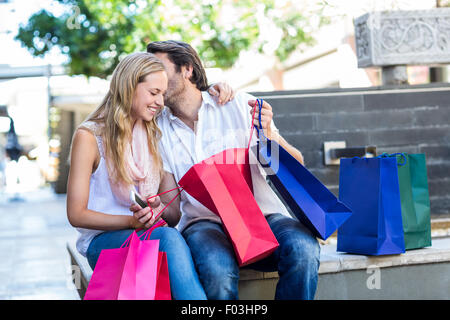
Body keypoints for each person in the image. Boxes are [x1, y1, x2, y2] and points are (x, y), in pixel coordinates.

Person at [142, 40, 321, 300]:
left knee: (304, 249)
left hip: (263, 218)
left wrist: (268, 134)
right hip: (203, 224)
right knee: (216, 269)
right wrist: (153, 209)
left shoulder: (238, 105)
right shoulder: (158, 131)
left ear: (187, 69)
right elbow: (172, 209)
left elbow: (296, 166)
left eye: (159, 68)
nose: (153, 79)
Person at [66, 52, 232, 300]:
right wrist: (131, 223)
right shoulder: (90, 137)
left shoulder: (155, 134)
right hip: (102, 241)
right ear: (128, 86)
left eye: (163, 94)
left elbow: (173, 215)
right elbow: (76, 215)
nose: (160, 102)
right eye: (153, 93)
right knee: (168, 239)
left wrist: (158, 209)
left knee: (169, 240)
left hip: (149, 234)